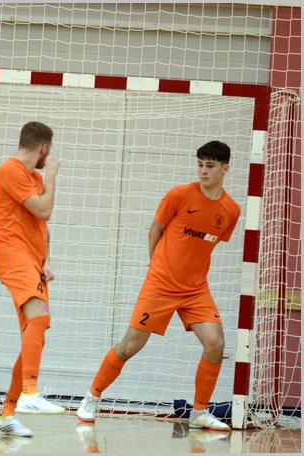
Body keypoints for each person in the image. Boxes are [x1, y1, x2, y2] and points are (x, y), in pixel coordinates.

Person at [77, 140, 241, 432]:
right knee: (130, 346)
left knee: (216, 344)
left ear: (225, 169)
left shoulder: (231, 210)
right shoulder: (179, 195)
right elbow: (155, 230)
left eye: (210, 166)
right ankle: (91, 397)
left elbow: (204, 245)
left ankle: (199, 412)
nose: (203, 171)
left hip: (195, 289)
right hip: (161, 284)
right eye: (200, 165)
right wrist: (156, 266)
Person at [0, 121, 63, 438]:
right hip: (14, 256)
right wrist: (53, 175)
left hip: (33, 262)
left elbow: (40, 224)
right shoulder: (11, 171)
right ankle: (30, 392)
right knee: (40, 317)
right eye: (50, 150)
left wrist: (46, 258)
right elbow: (45, 210)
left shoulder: (32, 176)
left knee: (34, 334)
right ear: (44, 148)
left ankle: (7, 415)